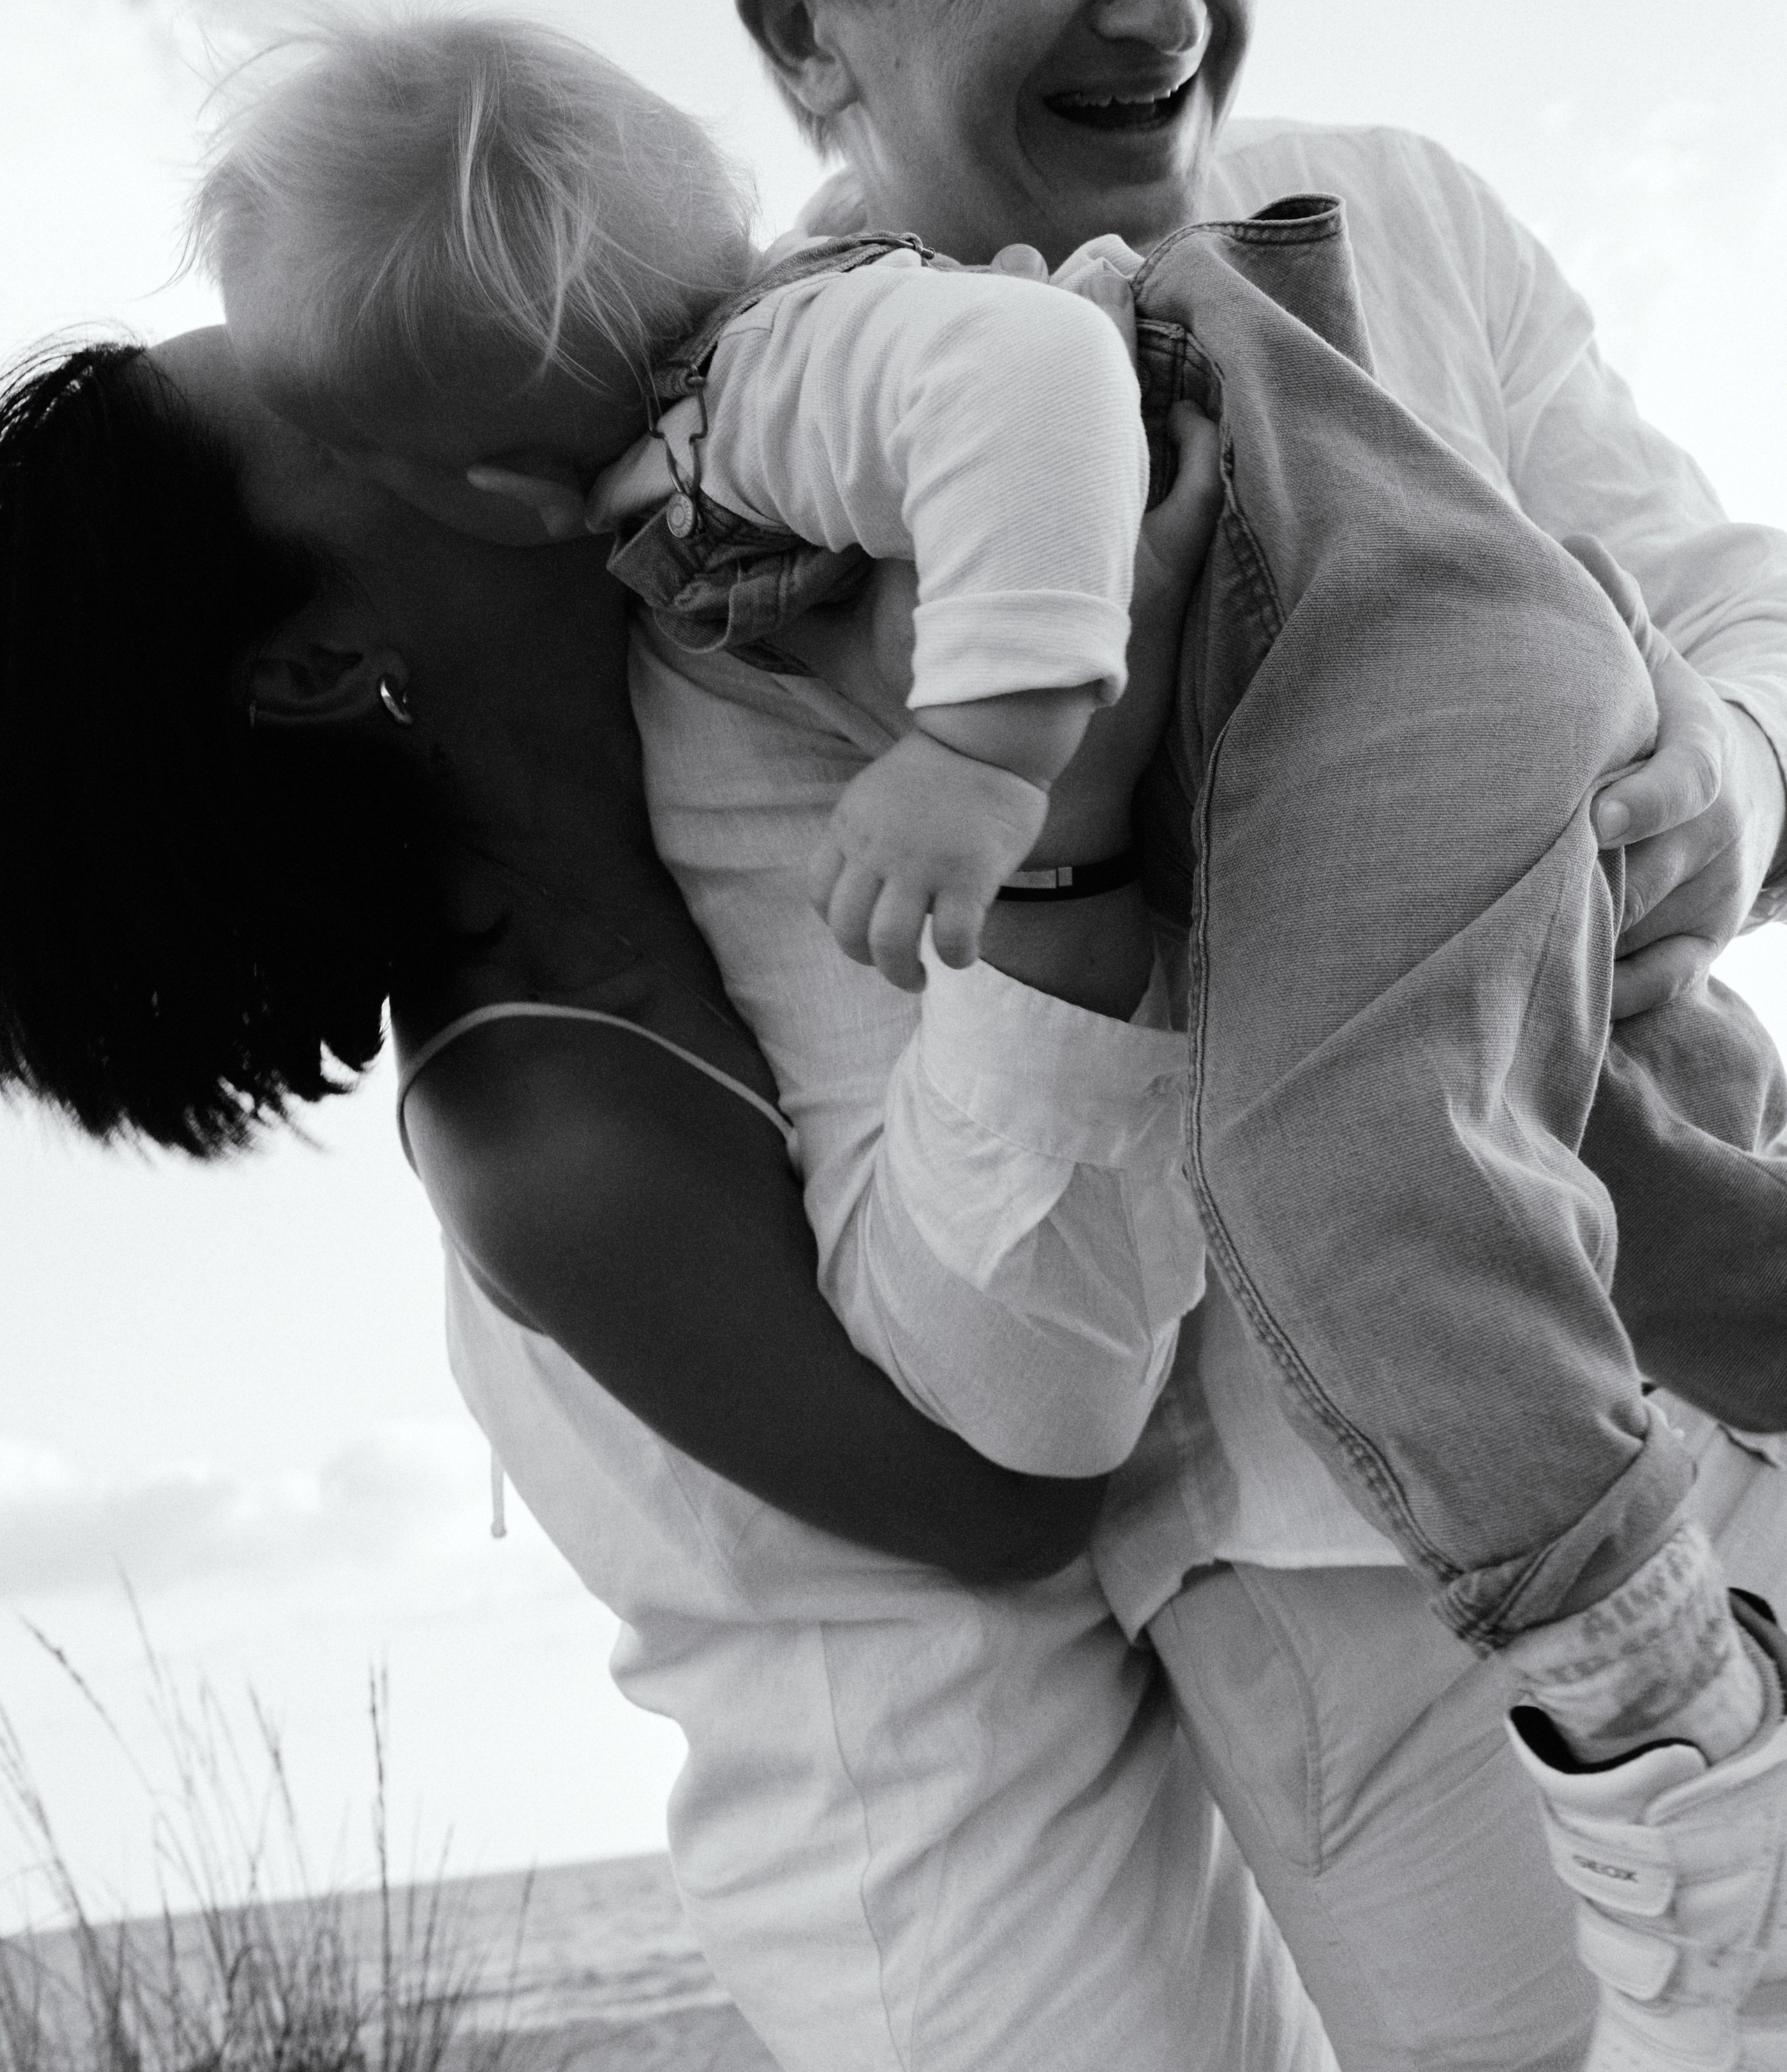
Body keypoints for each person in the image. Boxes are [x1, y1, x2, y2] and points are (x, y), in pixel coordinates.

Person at [584, 0, 1787, 2064]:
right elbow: (1002, 1390)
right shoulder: (748, 561)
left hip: (1747, 1345)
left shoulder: (1407, 214)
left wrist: (1650, 799)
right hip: (1360, 1614)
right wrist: (1079, 832)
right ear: (809, 43)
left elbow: (1749, 630)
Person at [0, 331, 1326, 2072]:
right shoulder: (535, 1114)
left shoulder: (722, 693)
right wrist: (1061, 841)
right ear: (323, 665)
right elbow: (996, 1509)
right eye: (337, 410)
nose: (438, 366)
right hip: (980, 1941)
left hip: (1181, 1784)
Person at [204, 12, 1156, 993]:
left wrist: (982, 755)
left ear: (511, 489)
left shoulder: (755, 385)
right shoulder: (741, 429)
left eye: (355, 456)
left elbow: (1040, 358)